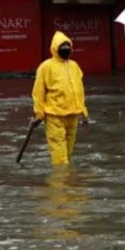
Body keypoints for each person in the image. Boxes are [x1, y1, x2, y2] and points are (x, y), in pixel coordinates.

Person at [32, 31, 89, 167]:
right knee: (60, 159)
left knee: (67, 155)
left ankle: (66, 184)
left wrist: (84, 112)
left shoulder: (74, 66)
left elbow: (79, 91)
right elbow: (38, 92)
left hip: (73, 115)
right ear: (54, 48)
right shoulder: (46, 67)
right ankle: (60, 185)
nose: (66, 49)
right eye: (62, 46)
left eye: (68, 46)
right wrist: (39, 115)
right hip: (54, 116)